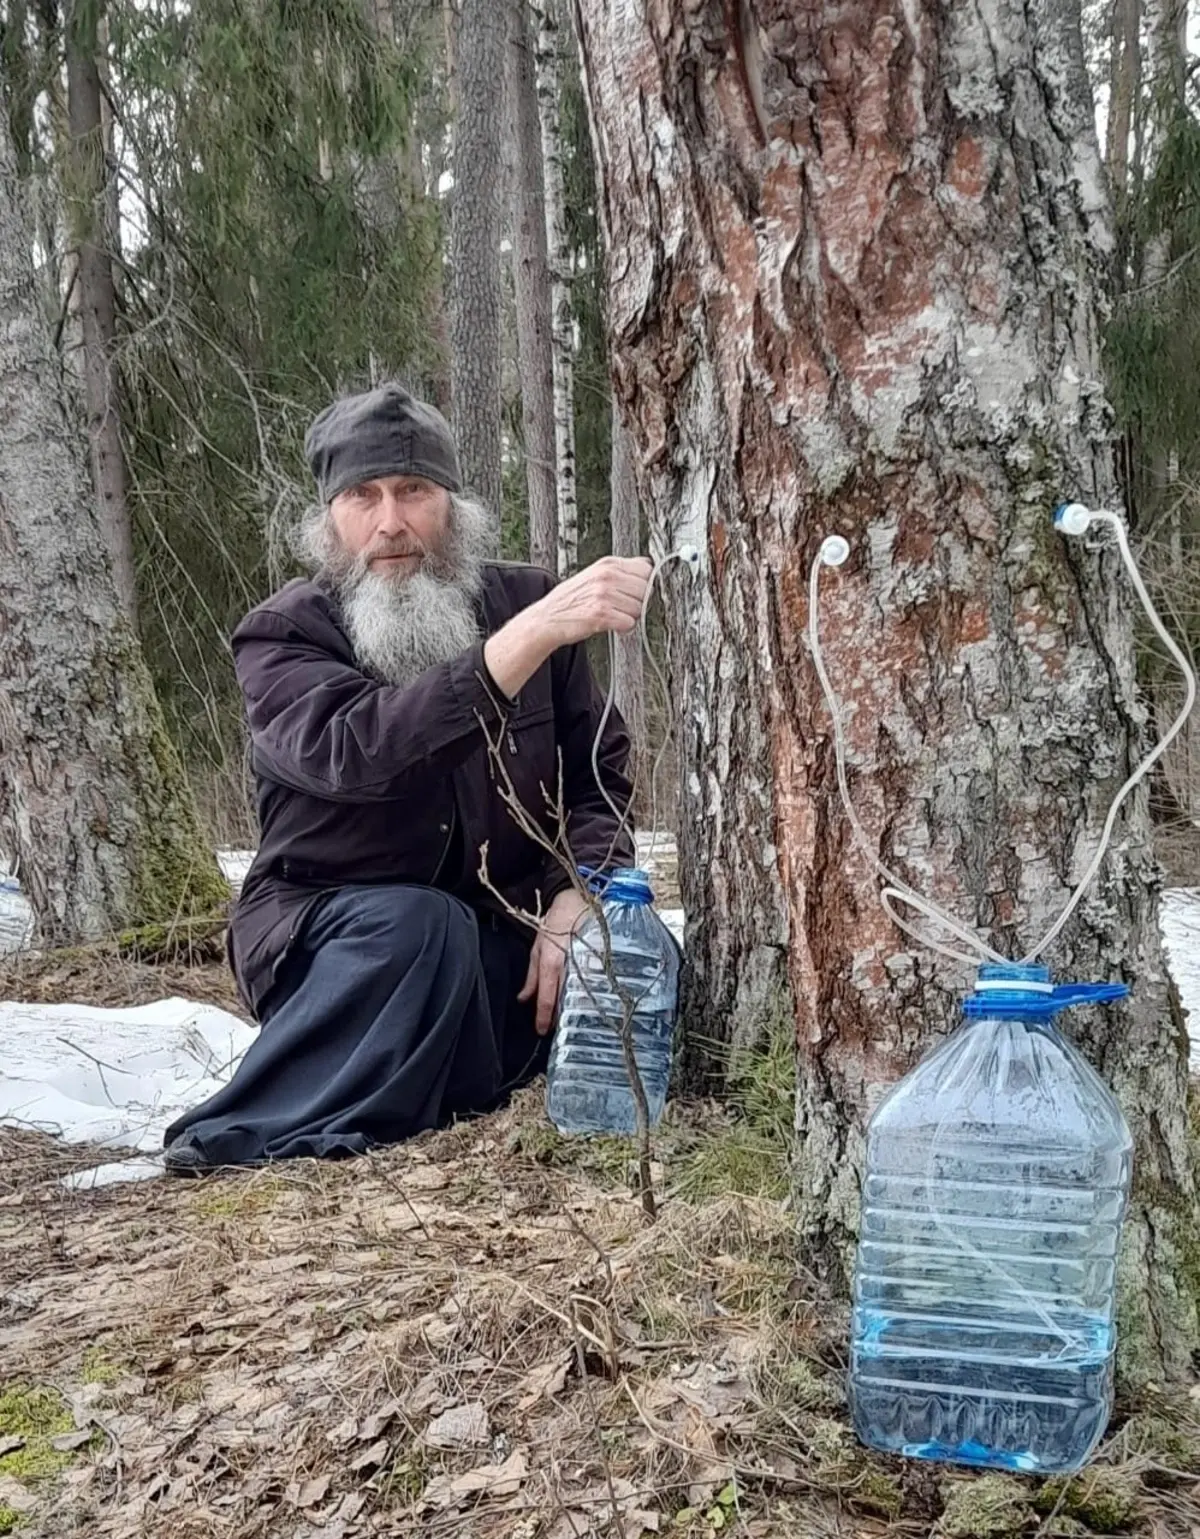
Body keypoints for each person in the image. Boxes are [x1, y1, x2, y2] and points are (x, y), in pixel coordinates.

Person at [163, 382, 650, 1172]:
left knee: (613, 961)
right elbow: (356, 752)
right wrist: (518, 645)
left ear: (452, 506)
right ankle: (269, 1126)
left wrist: (582, 890)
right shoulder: (284, 634)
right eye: (364, 496)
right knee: (420, 929)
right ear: (329, 518)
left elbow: (601, 773)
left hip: (499, 928)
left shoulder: (525, 602)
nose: (391, 523)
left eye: (414, 491)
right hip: (334, 939)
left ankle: (436, 1084)